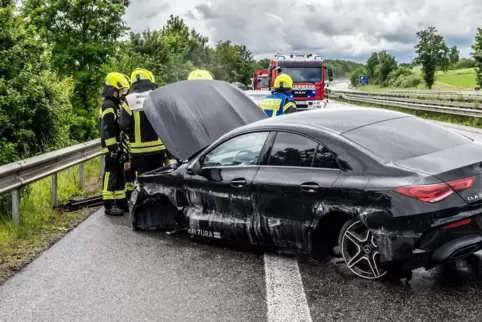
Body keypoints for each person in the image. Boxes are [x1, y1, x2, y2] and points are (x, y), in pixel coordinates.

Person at [120, 68, 166, 175]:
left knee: (143, 180)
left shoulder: (129, 100)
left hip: (138, 151)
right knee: (158, 179)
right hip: (158, 149)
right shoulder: (158, 97)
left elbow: (124, 125)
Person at [99, 72, 130, 216]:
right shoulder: (108, 105)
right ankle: (109, 205)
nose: (123, 93)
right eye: (122, 90)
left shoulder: (117, 104)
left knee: (120, 174)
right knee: (111, 173)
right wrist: (113, 147)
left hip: (118, 146)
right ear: (114, 90)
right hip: (111, 147)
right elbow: (107, 129)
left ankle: (120, 202)